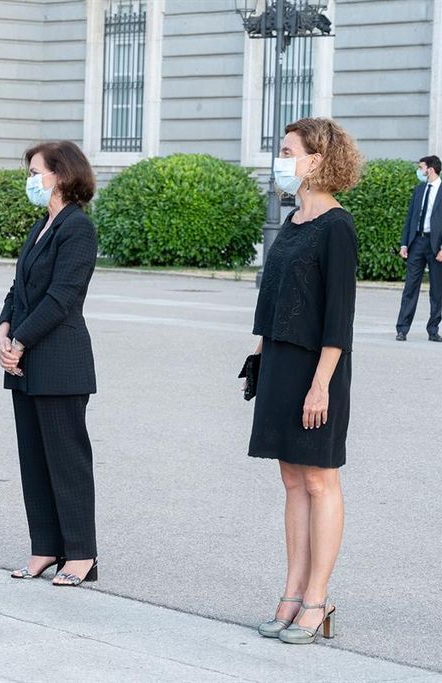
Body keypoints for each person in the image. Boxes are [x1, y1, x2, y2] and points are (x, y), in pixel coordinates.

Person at [249, 117, 362, 645]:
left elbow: (339, 318)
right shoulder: (294, 221)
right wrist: (257, 354)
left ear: (317, 160)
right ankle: (291, 593)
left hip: (319, 369)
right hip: (279, 362)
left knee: (320, 480)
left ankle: (318, 598)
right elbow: (271, 296)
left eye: (288, 150)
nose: (282, 159)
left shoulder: (337, 226)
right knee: (292, 481)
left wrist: (321, 385)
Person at [0, 141, 99, 587]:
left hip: (59, 361)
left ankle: (80, 554)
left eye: (35, 172)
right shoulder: (42, 225)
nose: (31, 180)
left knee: (66, 460)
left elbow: (62, 297)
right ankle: (45, 548)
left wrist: (19, 340)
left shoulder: (77, 228)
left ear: (59, 175)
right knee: (33, 459)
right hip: (25, 362)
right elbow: (19, 288)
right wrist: (3, 328)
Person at [395, 155, 442, 342]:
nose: (419, 170)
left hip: (436, 245)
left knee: (437, 290)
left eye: (421, 167)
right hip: (417, 243)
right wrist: (404, 243)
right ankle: (402, 329)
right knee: (410, 288)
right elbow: (410, 218)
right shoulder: (420, 189)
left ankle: (433, 330)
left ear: (430, 169)